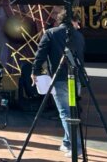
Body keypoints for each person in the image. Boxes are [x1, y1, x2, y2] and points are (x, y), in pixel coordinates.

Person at [31, 10, 86, 157]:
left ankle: (76, 147)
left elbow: (40, 54)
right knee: (72, 111)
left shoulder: (51, 33)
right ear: (72, 21)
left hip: (59, 78)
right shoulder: (78, 36)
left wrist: (35, 71)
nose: (79, 26)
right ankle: (67, 142)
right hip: (76, 79)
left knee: (65, 112)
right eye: (77, 22)